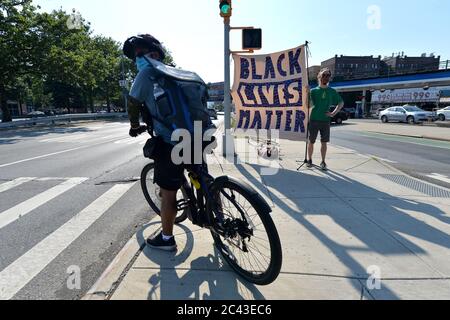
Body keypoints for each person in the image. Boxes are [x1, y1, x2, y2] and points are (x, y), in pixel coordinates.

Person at [123, 34, 182, 252]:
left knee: (168, 193)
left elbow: (133, 103)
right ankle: (218, 216)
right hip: (195, 136)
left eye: (140, 54)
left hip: (170, 142)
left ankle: (167, 240)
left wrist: (133, 125)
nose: (137, 59)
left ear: (155, 53)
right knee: (200, 176)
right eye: (135, 56)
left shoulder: (147, 73)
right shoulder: (177, 73)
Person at [306, 68, 344, 170]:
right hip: (313, 119)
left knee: (324, 142)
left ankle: (323, 161)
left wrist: (333, 113)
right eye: (324, 75)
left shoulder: (332, 91)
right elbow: (309, 105)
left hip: (325, 121)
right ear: (319, 76)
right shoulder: (313, 91)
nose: (326, 77)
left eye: (328, 75)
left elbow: (341, 103)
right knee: (311, 141)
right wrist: (307, 94)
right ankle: (309, 160)